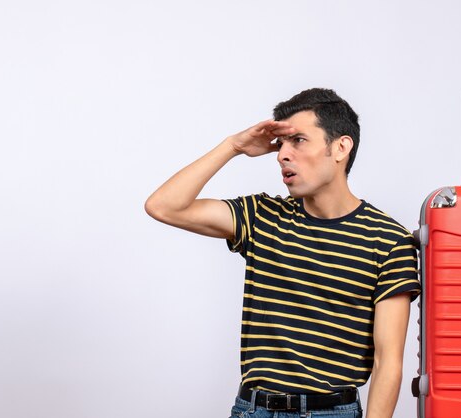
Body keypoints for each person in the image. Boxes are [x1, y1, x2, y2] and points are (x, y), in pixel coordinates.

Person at [145, 88, 420, 418]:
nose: (281, 155)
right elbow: (163, 206)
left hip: (333, 412)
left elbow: (388, 363)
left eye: (298, 140)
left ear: (340, 148)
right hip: (255, 410)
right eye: (280, 144)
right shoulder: (263, 216)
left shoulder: (389, 240)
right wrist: (232, 146)